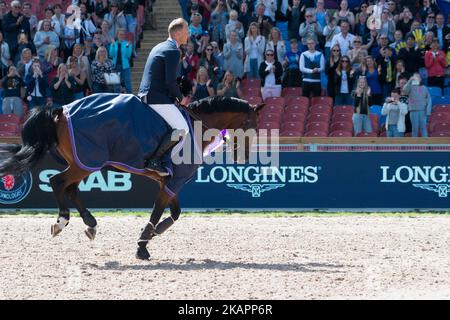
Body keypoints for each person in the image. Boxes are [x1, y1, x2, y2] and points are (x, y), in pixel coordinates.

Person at [138, 18, 190, 176]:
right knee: (183, 129)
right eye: (186, 32)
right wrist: (181, 98)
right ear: (178, 33)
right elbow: (170, 81)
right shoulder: (173, 51)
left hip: (147, 94)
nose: (188, 35)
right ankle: (156, 160)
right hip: (157, 97)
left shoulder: (159, 46)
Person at [403, 73, 431, 137]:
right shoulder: (410, 87)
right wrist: (409, 81)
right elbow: (404, 90)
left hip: (422, 111)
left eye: (418, 77)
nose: (416, 78)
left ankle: (425, 145)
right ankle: (414, 145)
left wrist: (428, 111)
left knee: (423, 128)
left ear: (420, 79)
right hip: (413, 111)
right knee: (414, 129)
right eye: (414, 77)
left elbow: (429, 100)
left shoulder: (424, 88)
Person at [109, 28, 133, 93]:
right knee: (116, 86)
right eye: (120, 34)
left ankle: (130, 99)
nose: (121, 36)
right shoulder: (113, 43)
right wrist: (113, 45)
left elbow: (128, 56)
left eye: (123, 34)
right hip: (115, 66)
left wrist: (127, 47)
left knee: (128, 85)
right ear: (117, 35)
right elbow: (111, 55)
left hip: (125, 67)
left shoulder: (127, 43)